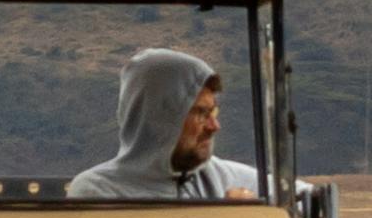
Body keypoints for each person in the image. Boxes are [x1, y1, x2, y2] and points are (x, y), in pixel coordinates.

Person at [65, 41, 263, 201]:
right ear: (161, 118)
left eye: (214, 112)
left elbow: (290, 194)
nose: (214, 126)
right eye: (201, 113)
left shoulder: (224, 177)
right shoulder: (97, 192)